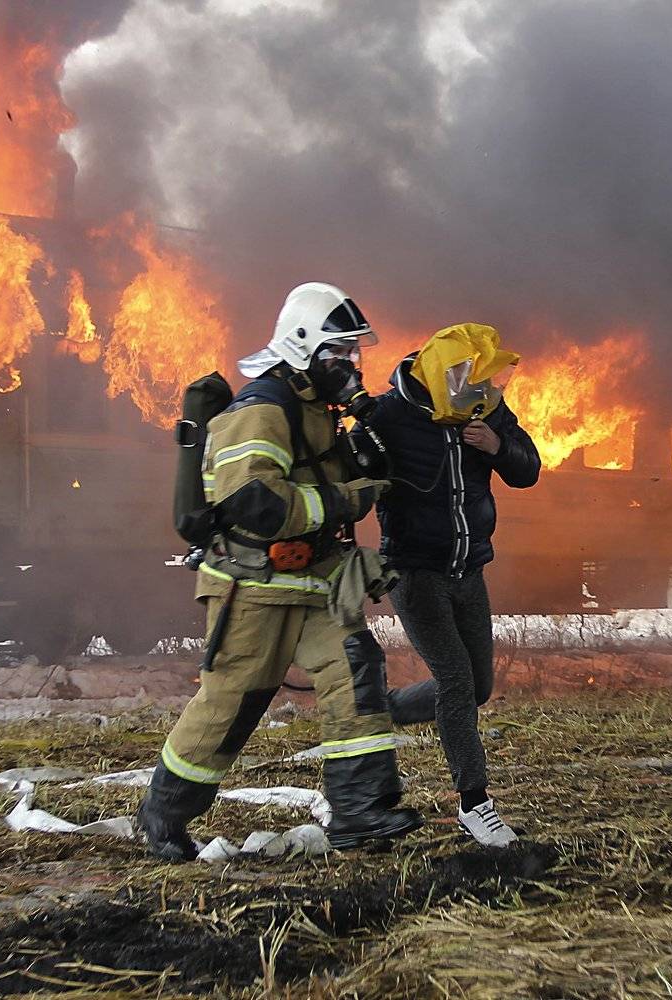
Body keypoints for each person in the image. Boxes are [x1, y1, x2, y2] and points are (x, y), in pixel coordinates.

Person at [136, 282, 422, 861]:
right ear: (303, 345)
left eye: (354, 352)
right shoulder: (262, 409)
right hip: (254, 585)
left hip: (314, 582)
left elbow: (320, 475)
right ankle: (163, 814)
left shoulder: (315, 409)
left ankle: (360, 812)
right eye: (339, 352)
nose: (351, 363)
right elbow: (255, 501)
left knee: (354, 669)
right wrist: (348, 499)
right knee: (233, 702)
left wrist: (363, 460)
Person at [363, 323, 541, 847]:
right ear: (445, 375)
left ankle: (381, 709)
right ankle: (475, 804)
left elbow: (528, 470)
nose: (482, 388)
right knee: (457, 681)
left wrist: (496, 445)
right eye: (471, 377)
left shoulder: (485, 410)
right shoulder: (387, 416)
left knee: (477, 687)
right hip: (415, 572)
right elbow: (353, 478)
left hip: (468, 570)